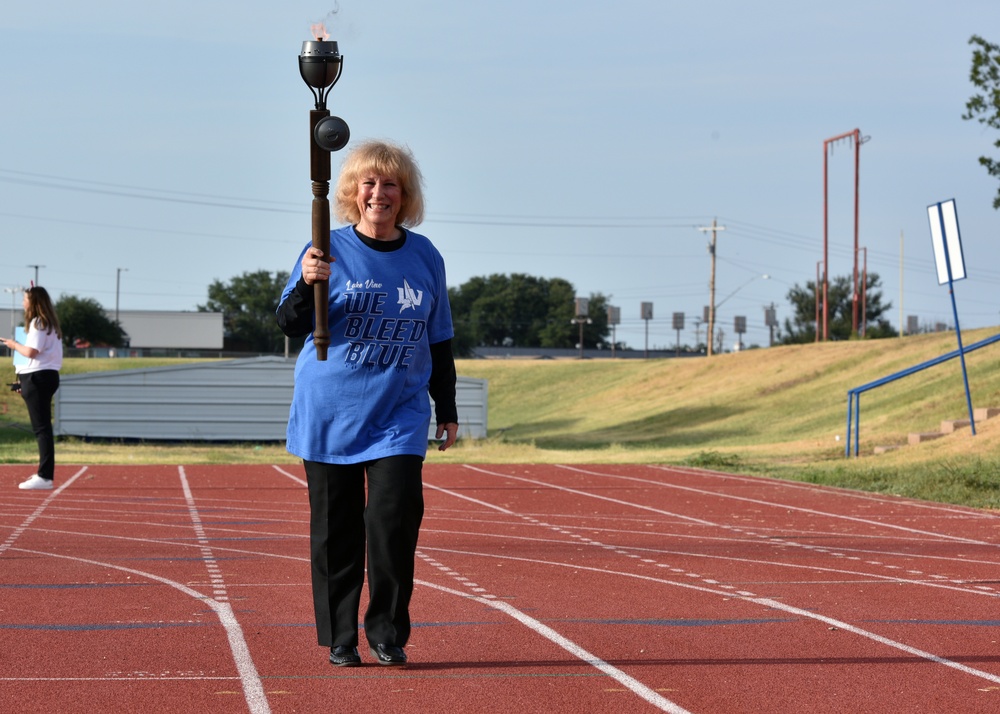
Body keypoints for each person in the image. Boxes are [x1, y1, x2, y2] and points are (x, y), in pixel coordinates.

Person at [276, 139, 459, 668]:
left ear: (406, 196)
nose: (379, 193)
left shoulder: (426, 257)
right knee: (337, 532)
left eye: (390, 184)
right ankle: (340, 636)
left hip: (399, 414)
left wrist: (445, 407)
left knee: (394, 522)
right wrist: (306, 284)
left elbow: (439, 337)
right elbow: (288, 323)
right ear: (354, 193)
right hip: (331, 409)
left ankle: (386, 631)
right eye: (369, 183)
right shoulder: (323, 247)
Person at [2, 287, 63, 491]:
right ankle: (44, 474)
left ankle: (45, 476)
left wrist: (13, 344)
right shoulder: (49, 323)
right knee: (43, 426)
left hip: (38, 376)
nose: (22, 302)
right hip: (44, 376)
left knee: (41, 428)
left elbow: (30, 352)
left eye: (25, 298)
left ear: (33, 301)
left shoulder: (38, 322)